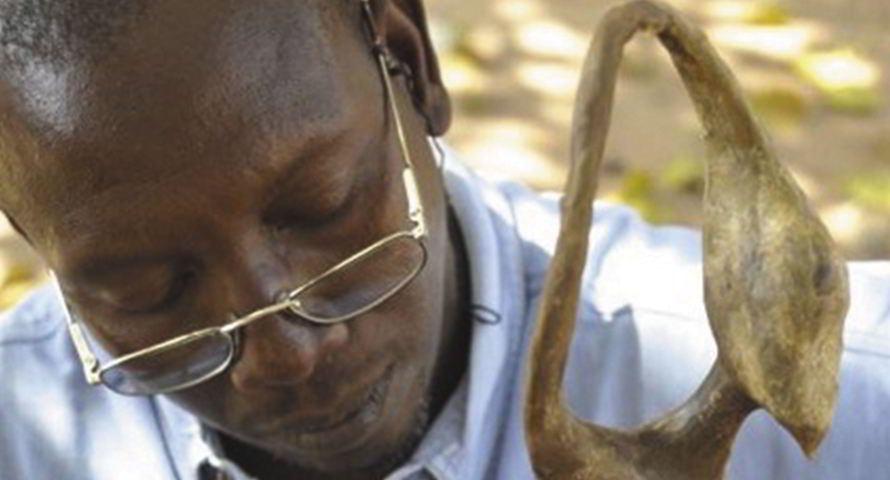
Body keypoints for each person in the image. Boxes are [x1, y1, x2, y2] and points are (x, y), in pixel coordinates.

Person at [0, 1, 887, 479]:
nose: (285, 356)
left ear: (412, 67)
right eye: (148, 294)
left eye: (323, 208)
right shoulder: (21, 433)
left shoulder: (844, 405)